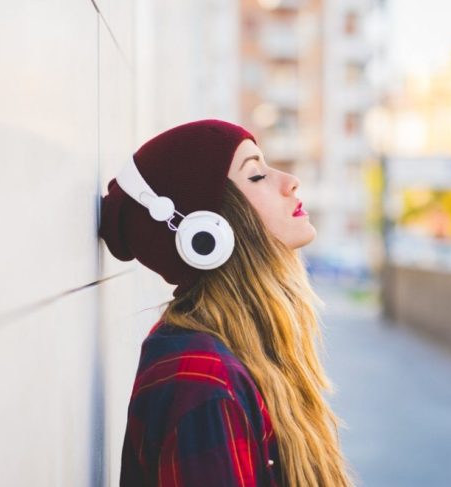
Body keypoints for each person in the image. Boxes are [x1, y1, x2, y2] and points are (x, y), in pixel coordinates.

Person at [99, 119, 354, 487]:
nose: (289, 181)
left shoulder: (241, 351)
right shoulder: (202, 380)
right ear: (202, 233)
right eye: (255, 176)